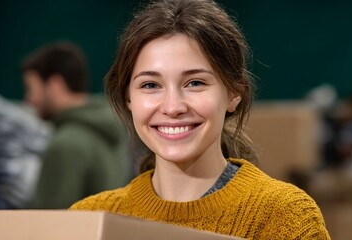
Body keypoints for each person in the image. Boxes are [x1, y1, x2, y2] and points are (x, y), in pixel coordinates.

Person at [70, 0, 330, 239]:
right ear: (129, 99)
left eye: (195, 83)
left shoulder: (284, 217)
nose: (173, 107)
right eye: (150, 85)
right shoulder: (89, 218)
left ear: (233, 94)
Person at [22, 42, 130, 209]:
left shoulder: (65, 144)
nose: (28, 99)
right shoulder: (112, 128)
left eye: (31, 89)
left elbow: (49, 224)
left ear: (55, 85)